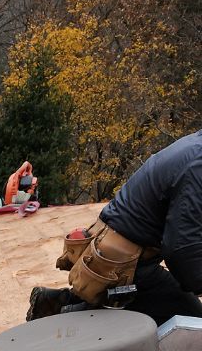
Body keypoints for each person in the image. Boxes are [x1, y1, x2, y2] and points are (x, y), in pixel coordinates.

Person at [27, 129, 202, 324]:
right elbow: (182, 252)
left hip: (115, 249)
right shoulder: (198, 167)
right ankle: (67, 319)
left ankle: (63, 305)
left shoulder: (195, 149)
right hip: (124, 264)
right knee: (193, 323)